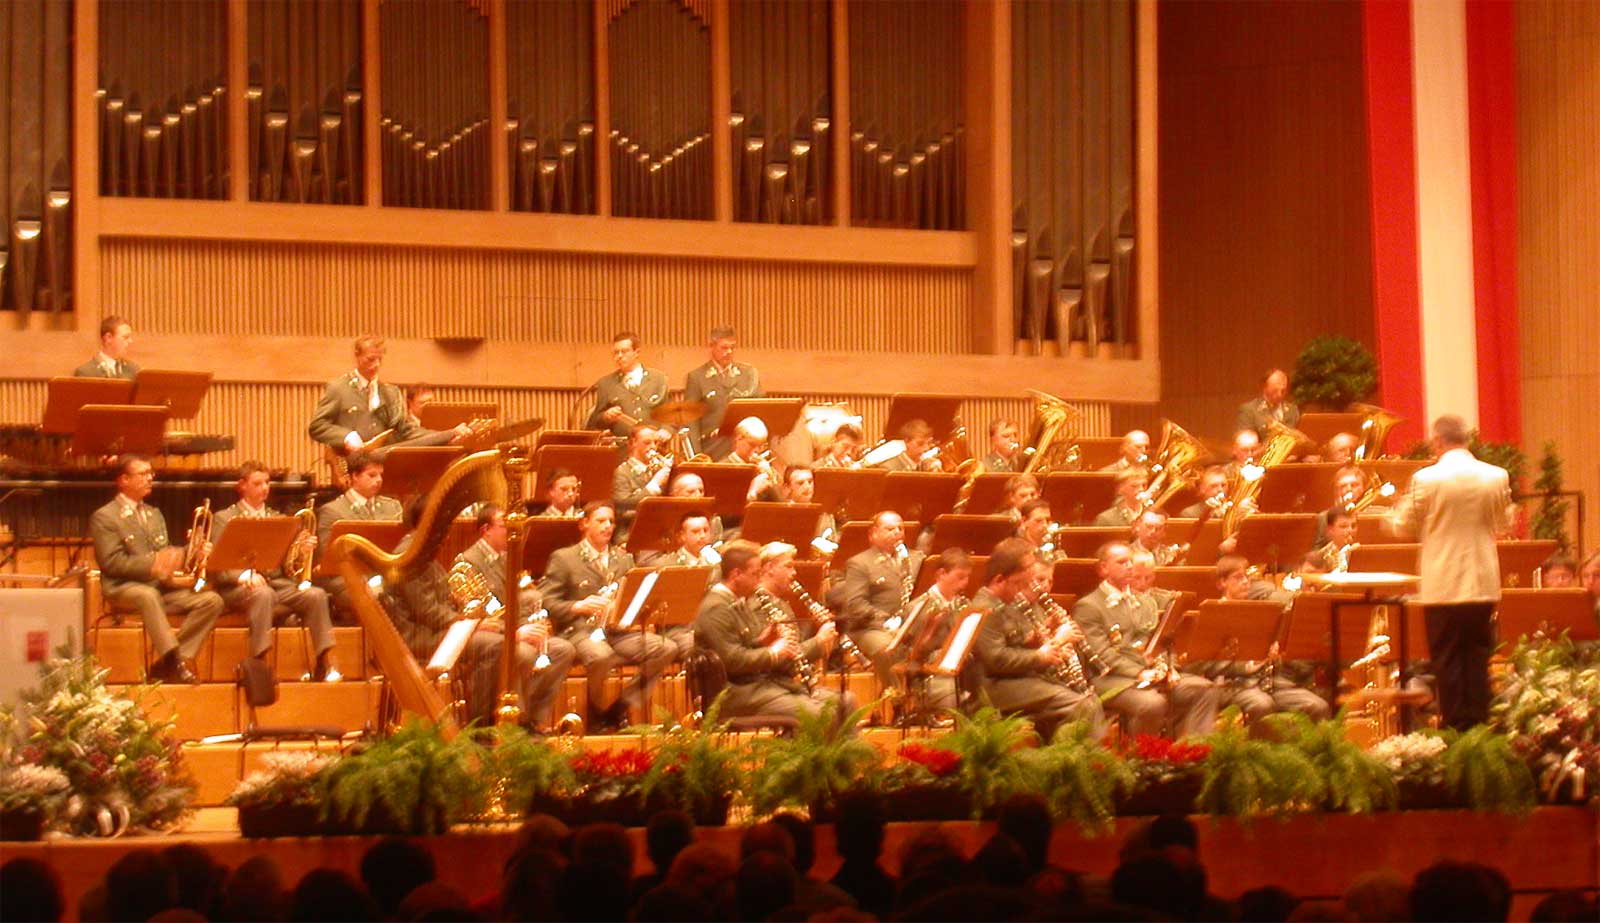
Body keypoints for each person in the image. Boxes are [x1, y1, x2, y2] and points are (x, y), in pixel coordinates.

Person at [382, 499, 567, 726]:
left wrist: (472, 621)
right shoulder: (409, 556)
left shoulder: (422, 551)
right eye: (443, 524)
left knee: (549, 648)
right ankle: (481, 722)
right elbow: (429, 613)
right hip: (422, 636)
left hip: (443, 629)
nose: (448, 531)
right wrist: (472, 623)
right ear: (429, 523)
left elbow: (443, 607)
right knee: (497, 645)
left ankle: (525, 720)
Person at [1387, 415, 1513, 730]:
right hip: (1481, 582)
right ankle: (1480, 731)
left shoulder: (1426, 479)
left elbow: (1403, 527)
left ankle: (1455, 731)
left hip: (1442, 583)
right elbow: (1505, 524)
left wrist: (1391, 510)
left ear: (1438, 441)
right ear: (1466, 440)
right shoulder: (1496, 476)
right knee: (1477, 658)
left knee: (1446, 659)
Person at [538, 500, 675, 731]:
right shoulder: (564, 558)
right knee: (600, 656)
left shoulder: (624, 559)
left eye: (611, 521)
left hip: (617, 631)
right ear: (584, 524)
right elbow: (547, 602)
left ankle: (619, 708)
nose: (608, 526)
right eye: (601, 521)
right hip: (581, 630)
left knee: (666, 648)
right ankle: (595, 711)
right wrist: (578, 606)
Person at [90, 454, 223, 683]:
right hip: (122, 588)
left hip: (159, 586)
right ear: (123, 480)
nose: (150, 478)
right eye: (142, 474)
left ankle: (169, 662)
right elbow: (111, 563)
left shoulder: (154, 514)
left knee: (212, 600)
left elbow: (165, 554)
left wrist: (191, 552)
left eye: (150, 473)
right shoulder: (105, 517)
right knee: (148, 595)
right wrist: (152, 565)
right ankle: (174, 663)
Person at [696, 541, 856, 723]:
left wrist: (764, 640)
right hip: (736, 695)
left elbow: (745, 647)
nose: (759, 581)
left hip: (756, 686)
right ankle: (818, 751)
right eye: (755, 574)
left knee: (843, 704)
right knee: (820, 713)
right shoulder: (716, 607)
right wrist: (774, 652)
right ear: (736, 575)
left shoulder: (734, 601)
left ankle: (844, 751)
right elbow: (732, 661)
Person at [209, 460, 339, 681]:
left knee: (315, 595)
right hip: (238, 587)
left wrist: (303, 550)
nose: (264, 488)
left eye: (267, 483)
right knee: (263, 594)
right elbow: (217, 563)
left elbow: (289, 564)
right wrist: (242, 576)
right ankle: (260, 662)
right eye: (258, 483)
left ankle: (324, 661)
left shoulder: (277, 517)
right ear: (242, 486)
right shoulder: (225, 518)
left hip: (276, 583)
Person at [1074, 541, 1221, 737]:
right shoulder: (1089, 606)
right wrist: (1139, 673)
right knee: (1151, 704)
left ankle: (1191, 753)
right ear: (1103, 569)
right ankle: (1145, 761)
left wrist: (1167, 667)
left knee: (1205, 690)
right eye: (1121, 562)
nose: (1129, 567)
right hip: (1110, 679)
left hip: (1150, 674)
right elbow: (1101, 655)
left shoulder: (1146, 601)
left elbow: (1160, 642)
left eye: (1130, 562)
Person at [451, 504, 577, 728]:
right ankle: (514, 723)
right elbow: (480, 614)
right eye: (504, 526)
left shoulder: (506, 557)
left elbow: (517, 602)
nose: (511, 531)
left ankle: (533, 719)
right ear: (485, 530)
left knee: (562, 650)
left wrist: (535, 625)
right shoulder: (468, 562)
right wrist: (516, 632)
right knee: (523, 653)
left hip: (512, 629)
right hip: (484, 632)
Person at [972, 538, 1105, 742]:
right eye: (1018, 584)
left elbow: (1014, 641)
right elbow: (996, 659)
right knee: (1082, 706)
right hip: (995, 686)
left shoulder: (1003, 603)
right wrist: (1042, 655)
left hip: (1016, 677)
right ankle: (1080, 767)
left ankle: (1065, 762)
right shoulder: (984, 607)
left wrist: (1037, 639)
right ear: (999, 580)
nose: (1020, 591)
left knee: (1090, 699)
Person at [1208, 555, 1331, 725]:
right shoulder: (1213, 614)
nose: (1245, 582)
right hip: (1234, 685)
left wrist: (1275, 655)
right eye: (1238, 577)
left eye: (1247, 577)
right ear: (1221, 583)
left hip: (1269, 682)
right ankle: (1257, 751)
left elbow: (1271, 655)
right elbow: (1206, 663)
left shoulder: (1260, 611)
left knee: (1317, 706)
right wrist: (1246, 666)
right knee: (1262, 705)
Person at [307, 335, 465, 454]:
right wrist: (346, 436)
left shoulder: (390, 393)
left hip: (384, 465)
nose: (375, 365)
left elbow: (407, 432)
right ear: (357, 356)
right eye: (370, 359)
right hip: (353, 466)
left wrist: (446, 436)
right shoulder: (339, 389)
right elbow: (317, 426)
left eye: (379, 360)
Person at [841, 511, 922, 694]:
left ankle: (928, 702)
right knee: (887, 648)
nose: (897, 533)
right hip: (871, 628)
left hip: (909, 624)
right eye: (890, 529)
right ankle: (898, 700)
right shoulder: (860, 563)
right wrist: (885, 620)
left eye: (900, 528)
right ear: (873, 534)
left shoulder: (916, 559)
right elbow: (856, 604)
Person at [314, 452, 403, 618]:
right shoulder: (332, 510)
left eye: (380, 475)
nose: (379, 480)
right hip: (346, 578)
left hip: (384, 575)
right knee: (379, 597)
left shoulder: (392, 506)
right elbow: (329, 556)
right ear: (354, 476)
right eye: (372, 475)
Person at [895, 547, 973, 715]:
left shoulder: (963, 604)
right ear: (941, 574)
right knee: (952, 695)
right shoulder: (916, 608)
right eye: (960, 577)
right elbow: (910, 658)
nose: (964, 583)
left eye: (967, 578)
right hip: (930, 675)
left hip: (964, 669)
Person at [684, 326, 764, 458]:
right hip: (712, 447)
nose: (729, 352)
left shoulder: (749, 374)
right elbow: (691, 420)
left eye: (733, 347)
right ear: (711, 347)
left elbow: (760, 409)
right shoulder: (697, 377)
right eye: (724, 348)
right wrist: (696, 456)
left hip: (745, 447)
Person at [586, 331, 668, 441]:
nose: (619, 356)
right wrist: (606, 416)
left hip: (654, 446)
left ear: (637, 352)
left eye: (624, 351)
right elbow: (594, 423)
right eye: (616, 353)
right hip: (621, 449)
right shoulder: (605, 383)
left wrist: (666, 430)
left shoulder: (658, 379)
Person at [717, 417, 782, 502]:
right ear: (739, 439)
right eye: (752, 444)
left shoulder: (760, 468)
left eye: (761, 446)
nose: (756, 450)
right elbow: (727, 511)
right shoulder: (722, 469)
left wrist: (771, 477)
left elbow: (778, 504)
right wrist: (753, 492)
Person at [612, 423, 671, 510]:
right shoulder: (621, 473)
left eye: (655, 442)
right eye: (647, 442)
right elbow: (622, 508)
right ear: (633, 442)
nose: (653, 447)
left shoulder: (659, 469)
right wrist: (655, 484)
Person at [1236, 368, 1301, 438]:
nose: (1279, 394)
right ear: (1264, 387)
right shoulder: (1249, 410)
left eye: (1283, 391)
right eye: (1275, 390)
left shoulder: (1293, 410)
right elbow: (1245, 441)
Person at [74, 315, 140, 379]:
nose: (130, 341)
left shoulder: (134, 371)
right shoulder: (86, 373)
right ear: (108, 338)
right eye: (126, 337)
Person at [1016, 498, 1059, 566]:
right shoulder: (1015, 551)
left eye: (1047, 520)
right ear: (1024, 521)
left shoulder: (1055, 548)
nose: (1045, 525)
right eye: (1038, 521)